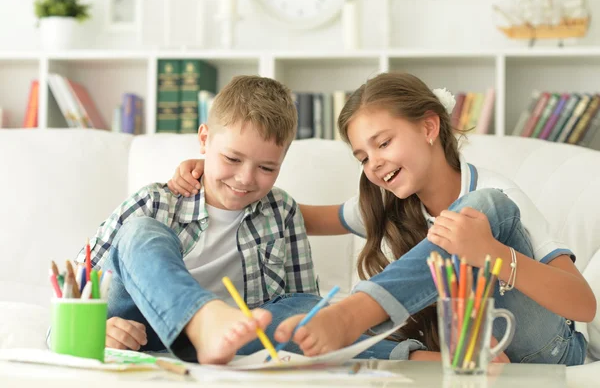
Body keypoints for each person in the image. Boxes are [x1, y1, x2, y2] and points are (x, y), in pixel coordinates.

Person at [168, 72, 596, 365]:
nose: (375, 164)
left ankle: (354, 312)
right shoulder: (388, 201)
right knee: (286, 324)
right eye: (362, 156)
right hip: (474, 355)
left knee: (483, 208)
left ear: (429, 128)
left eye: (384, 143)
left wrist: (491, 254)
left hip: (547, 350)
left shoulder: (498, 193)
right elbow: (292, 215)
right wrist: (214, 178)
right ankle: (353, 322)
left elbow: (584, 304)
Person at [76, 75, 324, 365]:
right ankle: (200, 322)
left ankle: (208, 338)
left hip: (236, 336)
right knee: (141, 231)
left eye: (267, 167)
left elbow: (302, 302)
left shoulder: (283, 211)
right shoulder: (155, 202)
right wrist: (96, 331)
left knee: (313, 312)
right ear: (204, 140)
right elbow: (73, 293)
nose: (245, 178)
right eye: (232, 159)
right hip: (141, 327)